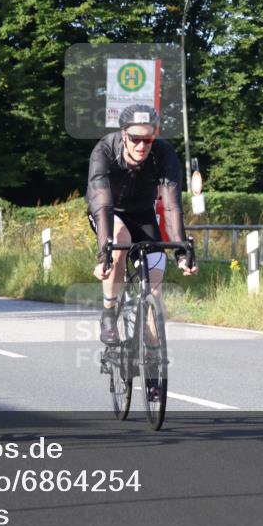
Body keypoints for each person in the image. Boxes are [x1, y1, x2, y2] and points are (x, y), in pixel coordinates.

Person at [86, 104, 198, 345]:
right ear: (124, 135)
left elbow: (170, 206)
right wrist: (103, 255)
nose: (141, 146)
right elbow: (102, 205)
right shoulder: (104, 150)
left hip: (143, 213)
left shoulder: (164, 153)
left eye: (147, 139)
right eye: (135, 139)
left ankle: (153, 362)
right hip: (110, 212)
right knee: (121, 240)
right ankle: (109, 311)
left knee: (155, 286)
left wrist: (181, 253)